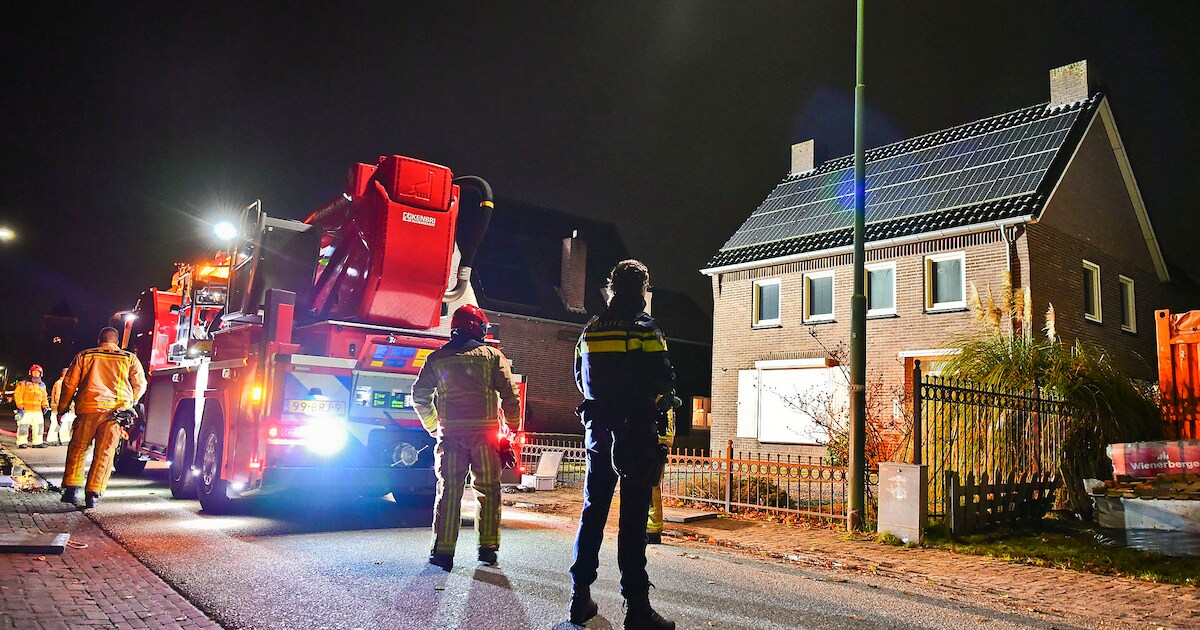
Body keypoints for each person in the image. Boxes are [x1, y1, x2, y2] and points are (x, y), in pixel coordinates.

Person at [569, 259, 676, 630]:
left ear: (612, 289)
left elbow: (580, 380)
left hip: (597, 431)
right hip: (635, 434)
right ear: (642, 288)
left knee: (593, 511)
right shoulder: (646, 328)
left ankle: (579, 597)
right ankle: (637, 608)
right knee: (632, 521)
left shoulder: (590, 330)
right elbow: (662, 379)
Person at [412, 304, 521, 571]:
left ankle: (443, 552)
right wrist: (512, 427)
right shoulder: (492, 357)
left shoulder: (437, 359)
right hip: (486, 439)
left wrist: (433, 427)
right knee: (488, 491)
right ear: (478, 329)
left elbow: (419, 396)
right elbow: (510, 395)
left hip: (451, 438)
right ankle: (487, 549)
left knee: (449, 491)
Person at [57, 327, 147, 509]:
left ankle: (72, 489)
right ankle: (93, 494)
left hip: (88, 409)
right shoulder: (129, 358)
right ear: (117, 342)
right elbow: (140, 384)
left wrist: (62, 408)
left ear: (99, 340)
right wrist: (129, 403)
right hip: (114, 414)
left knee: (78, 449)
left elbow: (69, 384)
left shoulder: (84, 356)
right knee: (105, 453)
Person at [646, 403, 677, 545]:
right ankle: (652, 530)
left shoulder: (659, 400)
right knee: (653, 490)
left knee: (651, 489)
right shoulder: (664, 400)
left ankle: (651, 531)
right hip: (656, 447)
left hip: (652, 447)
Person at [14, 365, 51, 449]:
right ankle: (22, 442)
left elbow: (44, 396)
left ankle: (37, 442)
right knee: (23, 426)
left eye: (37, 372)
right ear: (30, 373)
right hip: (25, 410)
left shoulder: (42, 385)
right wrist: (20, 405)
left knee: (39, 426)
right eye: (34, 372)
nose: (36, 374)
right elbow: (18, 395)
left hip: (37, 410)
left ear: (41, 374)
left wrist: (45, 406)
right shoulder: (23, 383)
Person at [45, 368, 75, 446]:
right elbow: (58, 396)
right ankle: (52, 439)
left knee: (66, 424)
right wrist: (62, 407)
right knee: (56, 424)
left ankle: (64, 439)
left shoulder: (69, 383)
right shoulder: (60, 383)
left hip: (67, 408)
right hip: (59, 408)